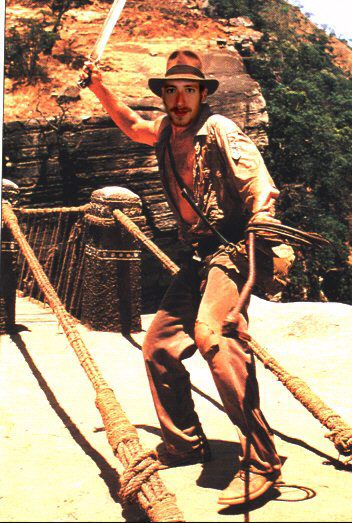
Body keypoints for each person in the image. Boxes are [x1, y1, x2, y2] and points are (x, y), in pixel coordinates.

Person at [81, 49, 294, 506]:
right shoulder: (165, 131)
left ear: (202, 94)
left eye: (189, 91)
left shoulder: (219, 130)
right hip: (198, 255)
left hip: (232, 248)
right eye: (172, 91)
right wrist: (99, 88)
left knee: (213, 335)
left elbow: (258, 181)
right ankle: (184, 442)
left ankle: (262, 460)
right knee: (159, 345)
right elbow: (131, 125)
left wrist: (262, 216)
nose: (180, 100)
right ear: (164, 95)